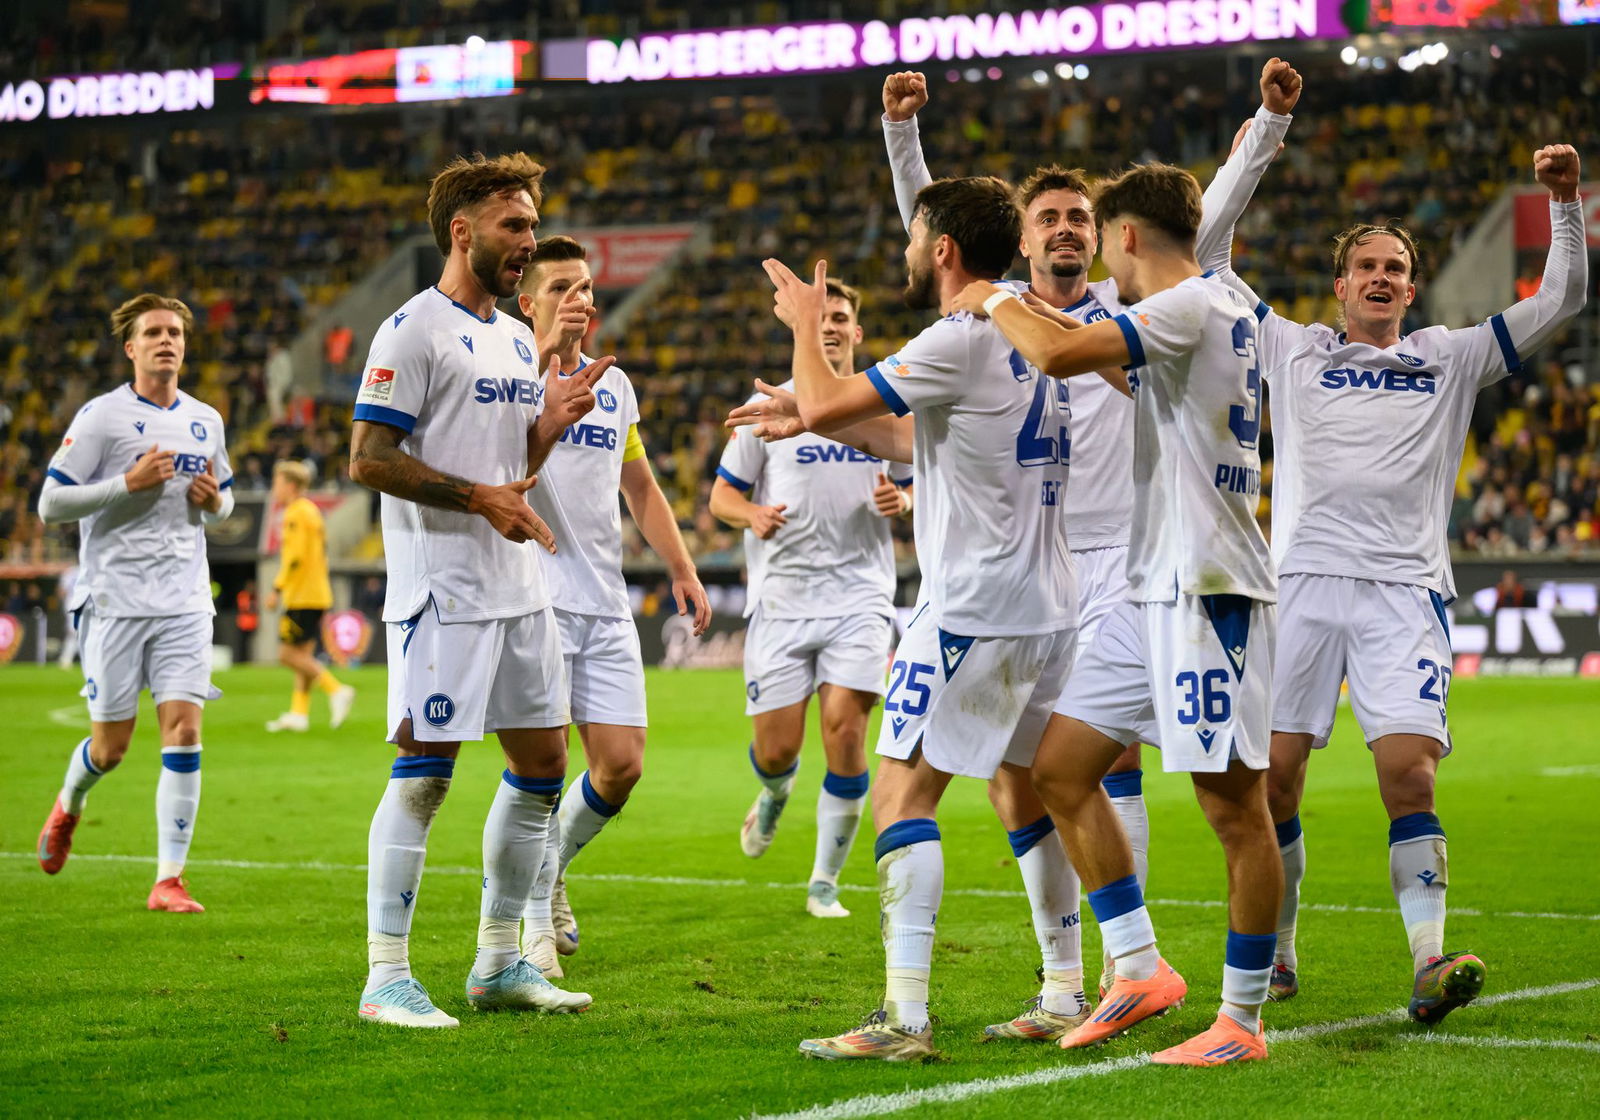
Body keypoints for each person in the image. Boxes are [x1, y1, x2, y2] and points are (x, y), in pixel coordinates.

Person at [1206, 96, 1588, 1021]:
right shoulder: (1292, 350)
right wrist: (1268, 125)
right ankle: (1283, 950)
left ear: (1413, 289)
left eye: (1397, 269)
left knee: (1408, 773)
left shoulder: (1449, 357)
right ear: (1338, 286)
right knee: (1275, 779)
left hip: (1404, 594)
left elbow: (1561, 299)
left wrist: (1567, 205)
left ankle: (1427, 961)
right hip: (1297, 585)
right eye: (1366, 267)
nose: (1382, 279)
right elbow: (1211, 251)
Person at [956, 161, 1283, 1065]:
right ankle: (1138, 966)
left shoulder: (1188, 306)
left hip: (1211, 591)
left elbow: (1060, 352)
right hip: (1153, 590)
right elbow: (1105, 362)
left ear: (1127, 237)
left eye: (1103, 234)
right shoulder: (1208, 315)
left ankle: (1241, 1024)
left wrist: (989, 294)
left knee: (1233, 810)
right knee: (1059, 771)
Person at [764, 175, 1079, 1061]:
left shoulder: (961, 334)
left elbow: (831, 403)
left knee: (900, 790)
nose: (905, 251)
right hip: (1048, 605)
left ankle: (903, 1017)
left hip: (975, 604)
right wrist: (809, 414)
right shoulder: (1033, 324)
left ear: (942, 249)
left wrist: (803, 332)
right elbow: (924, 440)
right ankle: (1062, 988)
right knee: (1020, 788)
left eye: (913, 237)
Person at [347, 152, 607, 1029]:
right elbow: (368, 459)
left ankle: (499, 961)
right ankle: (386, 977)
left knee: (542, 766)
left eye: (532, 225)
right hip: (443, 591)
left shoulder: (509, 335)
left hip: (518, 584)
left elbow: (511, 468)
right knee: (425, 775)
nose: (528, 242)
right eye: (515, 226)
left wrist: (547, 427)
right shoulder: (411, 330)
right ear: (462, 231)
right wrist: (475, 497)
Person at [511, 235, 713, 975]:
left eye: (588, 288)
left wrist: (682, 567)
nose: (582, 300)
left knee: (621, 765)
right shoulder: (505, 372)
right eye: (564, 287)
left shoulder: (615, 384)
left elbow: (639, 487)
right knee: (544, 767)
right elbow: (494, 469)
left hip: (605, 598)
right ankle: (529, 926)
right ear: (528, 302)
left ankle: (547, 870)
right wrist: (542, 384)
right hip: (533, 595)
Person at [709, 276, 912, 921]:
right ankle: (773, 793)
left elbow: (929, 480)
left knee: (846, 732)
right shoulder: (770, 403)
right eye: (819, 315)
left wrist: (905, 500)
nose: (829, 324)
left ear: (856, 332)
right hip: (783, 600)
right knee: (777, 751)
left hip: (861, 596)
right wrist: (751, 516)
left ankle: (825, 881)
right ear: (803, 328)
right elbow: (721, 497)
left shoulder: (884, 402)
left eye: (841, 316)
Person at [35, 293, 235, 914]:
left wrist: (212, 503)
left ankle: (168, 880)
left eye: (174, 331)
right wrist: (128, 483)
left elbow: (225, 502)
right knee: (111, 748)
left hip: (184, 599)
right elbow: (49, 505)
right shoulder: (102, 418)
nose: (166, 341)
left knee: (184, 729)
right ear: (132, 347)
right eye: (153, 332)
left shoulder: (206, 420)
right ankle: (70, 802)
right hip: (116, 602)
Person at [264, 460, 356, 732]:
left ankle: (336, 689)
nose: (275, 488)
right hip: (317, 592)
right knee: (303, 654)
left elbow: (295, 557)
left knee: (286, 655)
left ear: (290, 485)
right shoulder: (312, 511)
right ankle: (299, 713)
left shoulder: (295, 513)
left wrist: (276, 589)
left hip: (301, 595)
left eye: (277, 482)